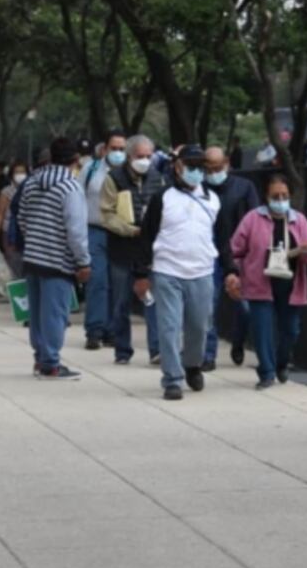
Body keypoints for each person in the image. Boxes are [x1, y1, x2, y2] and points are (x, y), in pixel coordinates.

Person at [133, 145, 220, 401]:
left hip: (202, 272)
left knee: (199, 325)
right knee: (169, 327)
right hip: (167, 271)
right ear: (177, 167)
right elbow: (147, 236)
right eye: (189, 165)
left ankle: (192, 365)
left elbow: (221, 236)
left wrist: (232, 270)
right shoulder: (163, 198)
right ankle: (172, 378)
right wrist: (141, 274)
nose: (195, 171)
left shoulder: (212, 200)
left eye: (199, 166)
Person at [229, 175, 307, 389]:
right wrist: (237, 274)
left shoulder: (299, 220)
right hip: (260, 282)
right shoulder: (252, 219)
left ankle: (282, 362)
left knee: (291, 330)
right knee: (262, 330)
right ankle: (267, 372)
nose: (280, 200)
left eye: (284, 196)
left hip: (290, 284)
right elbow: (236, 250)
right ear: (266, 196)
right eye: (275, 196)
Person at [18, 138, 91, 379]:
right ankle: (51, 363)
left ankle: (40, 358)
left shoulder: (31, 183)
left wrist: (36, 240)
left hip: (33, 256)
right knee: (55, 314)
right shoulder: (71, 187)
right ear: (75, 160)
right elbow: (76, 230)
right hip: (58, 260)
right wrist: (83, 261)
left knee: (37, 314)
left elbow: (22, 219)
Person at [101, 133, 163, 365]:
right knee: (121, 302)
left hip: (149, 252)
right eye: (140, 156)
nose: (145, 160)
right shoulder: (114, 179)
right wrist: (130, 229)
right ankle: (122, 350)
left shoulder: (158, 179)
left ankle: (156, 349)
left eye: (149, 156)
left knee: (151, 300)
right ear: (129, 156)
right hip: (122, 249)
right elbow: (107, 214)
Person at [203, 145, 258, 370]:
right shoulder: (200, 189)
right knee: (209, 305)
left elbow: (256, 220)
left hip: (239, 255)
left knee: (244, 306)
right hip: (210, 254)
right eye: (210, 168)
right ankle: (208, 354)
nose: (215, 172)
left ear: (226, 163)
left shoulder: (244, 188)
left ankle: (238, 340)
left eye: (219, 167)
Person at [79, 136, 114, 349]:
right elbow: (77, 196)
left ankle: (112, 330)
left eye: (122, 148)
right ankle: (94, 329)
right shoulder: (90, 169)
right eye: (114, 148)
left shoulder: (132, 172)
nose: (118, 152)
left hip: (121, 234)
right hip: (95, 230)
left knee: (117, 283)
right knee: (97, 280)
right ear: (104, 148)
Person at [0, 160, 28, 277]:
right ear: (11, 174)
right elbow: (0, 214)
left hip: (26, 233)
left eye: (23, 172)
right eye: (17, 172)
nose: (20, 175)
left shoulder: (30, 190)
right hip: (9, 233)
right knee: (12, 262)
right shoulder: (6, 192)